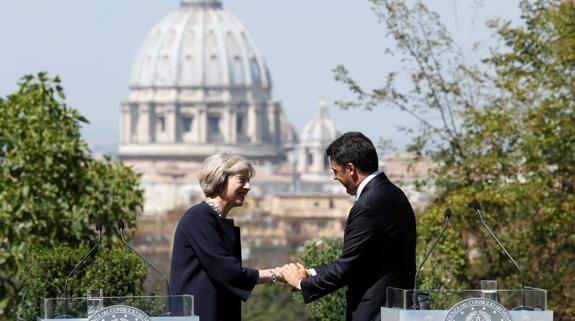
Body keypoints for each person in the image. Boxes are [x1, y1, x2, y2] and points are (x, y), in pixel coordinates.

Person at [278, 132, 417, 321]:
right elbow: (362, 258)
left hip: (375, 312)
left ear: (350, 168)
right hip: (398, 306)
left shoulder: (366, 205)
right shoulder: (394, 193)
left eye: (336, 171)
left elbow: (348, 267)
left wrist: (302, 283)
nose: (335, 178)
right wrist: (311, 272)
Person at [170, 153, 280, 321]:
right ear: (220, 179)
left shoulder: (213, 218)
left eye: (248, 180)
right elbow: (229, 272)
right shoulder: (199, 217)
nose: (248, 187)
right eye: (242, 180)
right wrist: (277, 274)